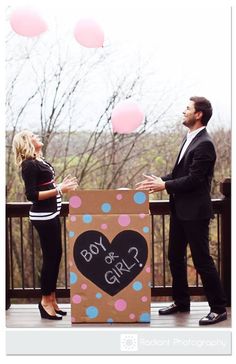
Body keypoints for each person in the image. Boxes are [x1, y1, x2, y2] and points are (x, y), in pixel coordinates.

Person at [136, 96, 227, 325]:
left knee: (202, 260)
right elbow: (180, 175)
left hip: (195, 213)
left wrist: (164, 186)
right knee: (174, 256)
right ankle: (181, 302)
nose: (183, 111)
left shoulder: (205, 143)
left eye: (187, 109)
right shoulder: (189, 139)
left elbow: (195, 180)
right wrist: (158, 181)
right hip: (179, 210)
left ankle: (218, 308)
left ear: (198, 115)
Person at [12, 130, 78, 320]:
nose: (37, 136)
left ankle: (52, 299)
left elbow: (47, 186)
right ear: (26, 142)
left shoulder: (39, 160)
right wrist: (59, 189)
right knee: (51, 258)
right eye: (32, 135)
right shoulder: (29, 165)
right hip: (44, 217)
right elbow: (32, 195)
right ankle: (45, 302)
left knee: (56, 256)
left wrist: (61, 187)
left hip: (52, 214)